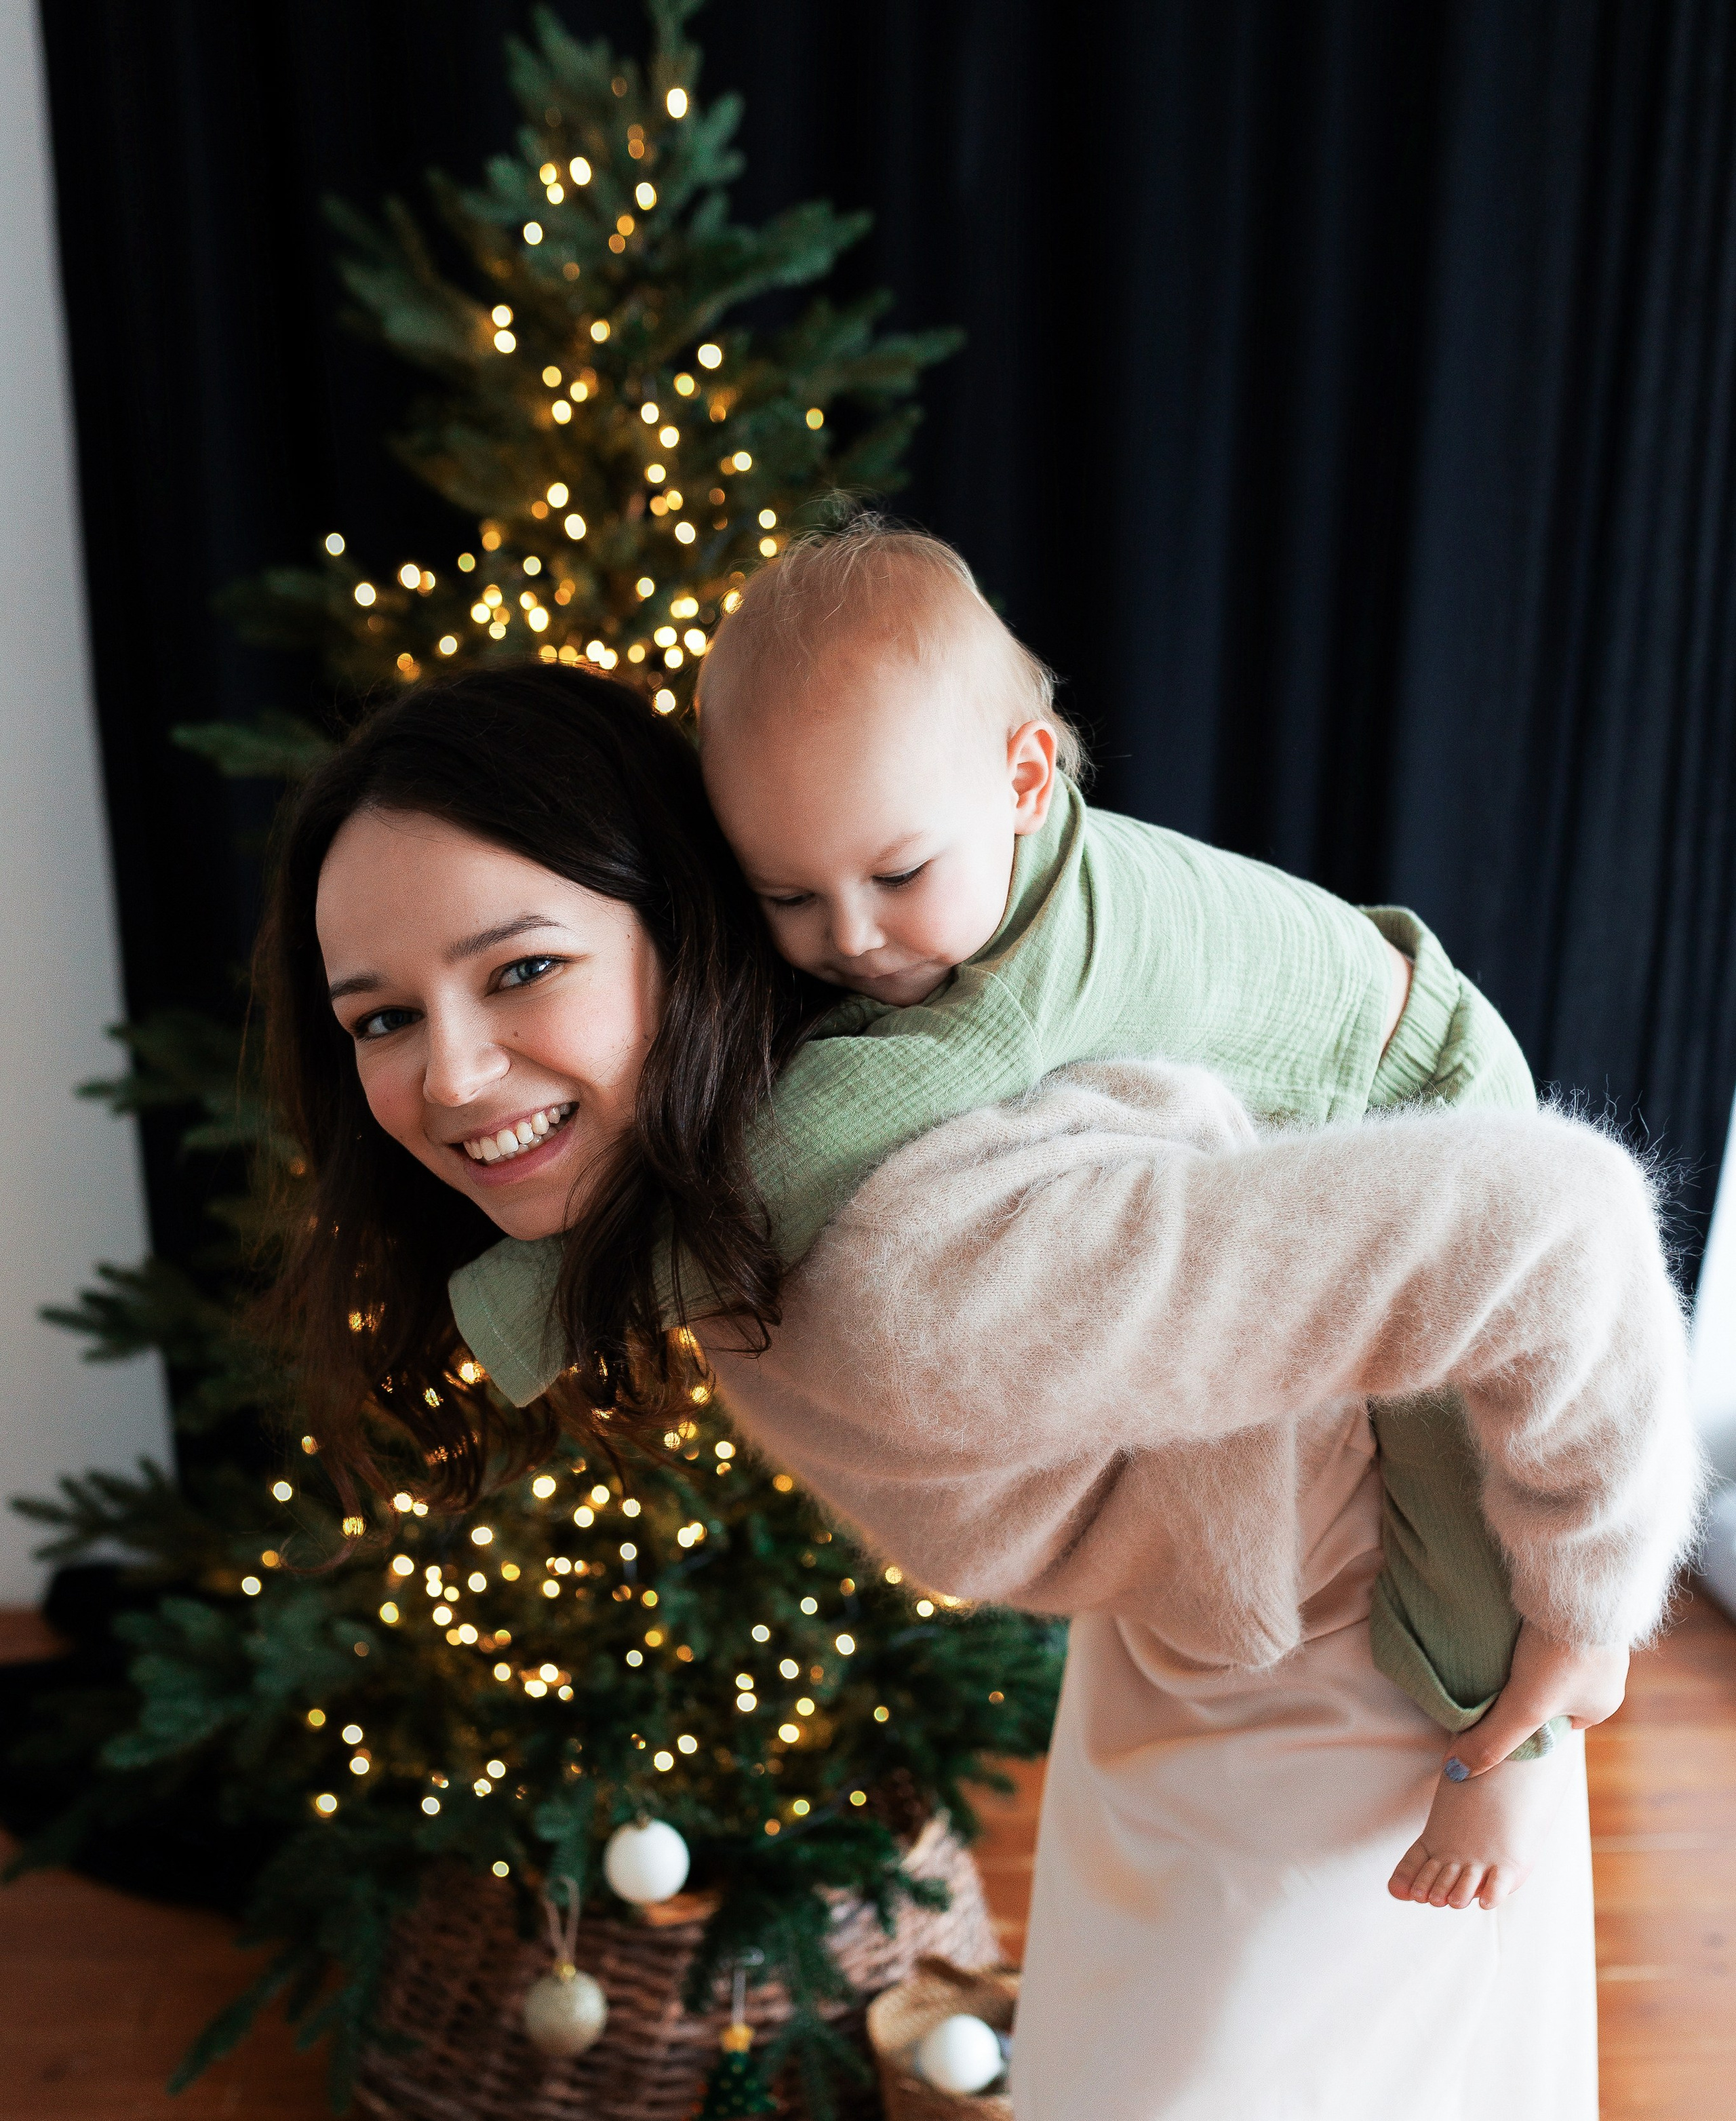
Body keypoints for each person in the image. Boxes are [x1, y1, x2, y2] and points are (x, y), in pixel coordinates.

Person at [260, 666, 1701, 2121]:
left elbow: (1552, 1225)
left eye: (519, 971)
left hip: (1360, 1665)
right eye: (380, 1015)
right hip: (1204, 1617)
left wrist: (1574, 1643)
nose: (447, 1075)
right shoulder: (771, 1158)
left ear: (681, 924)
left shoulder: (909, 1262)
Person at [446, 526, 1604, 1918]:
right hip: (1336, 1044)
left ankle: (1520, 1735)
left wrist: (544, 1297)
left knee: (1447, 1464)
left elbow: (825, 1136)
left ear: (1022, 780)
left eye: (895, 877)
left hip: (1418, 1077)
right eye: (786, 897)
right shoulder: (954, 883)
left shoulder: (1050, 946)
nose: (850, 939)